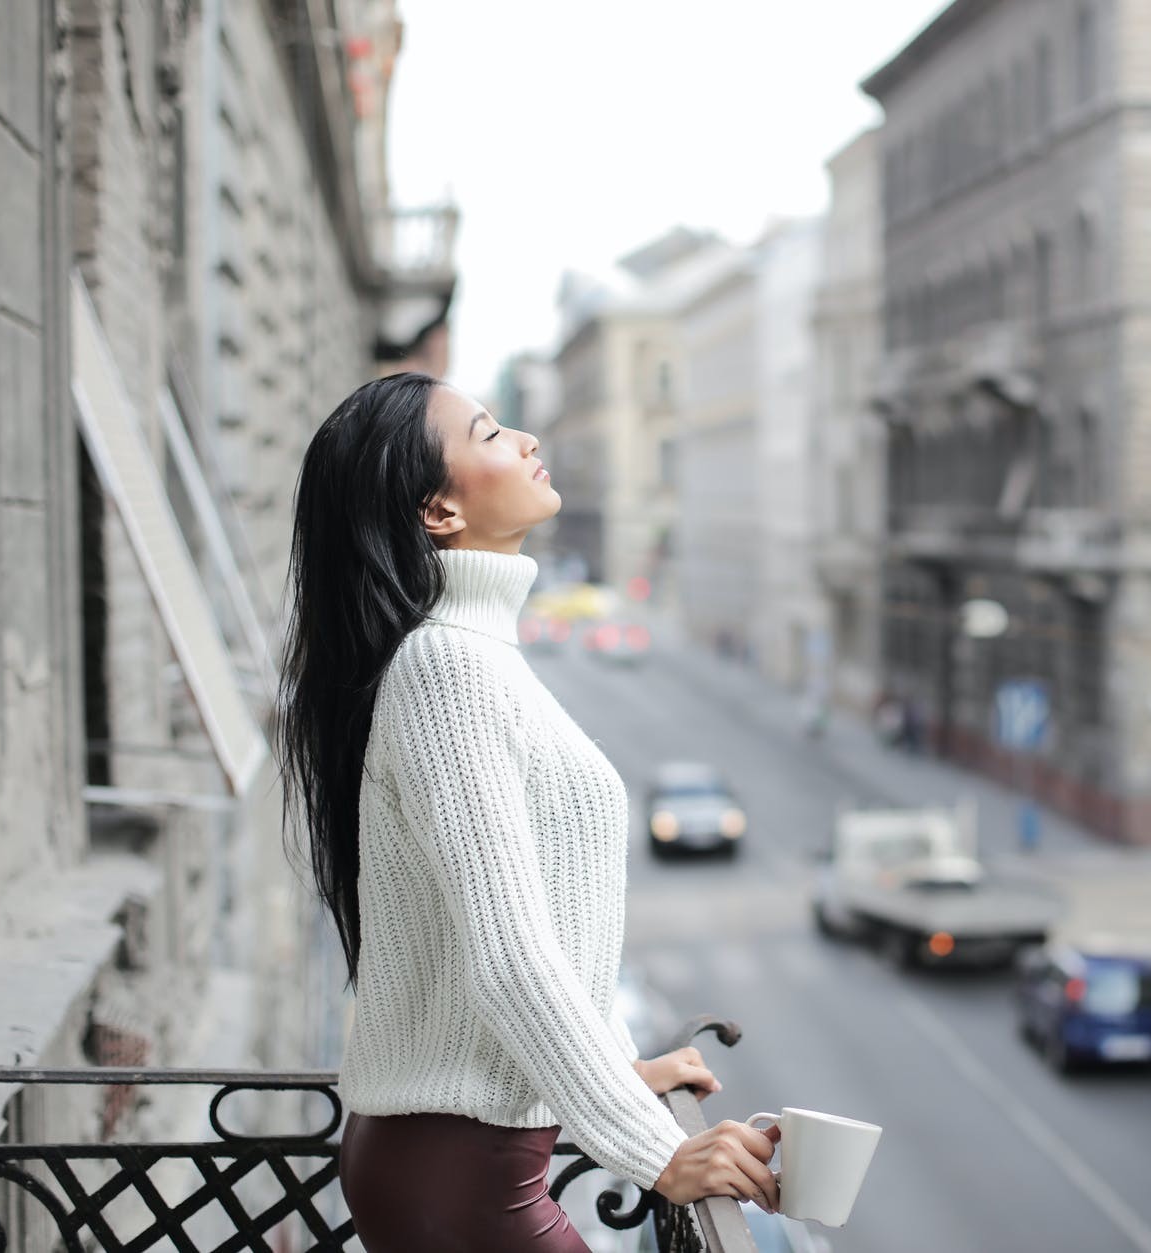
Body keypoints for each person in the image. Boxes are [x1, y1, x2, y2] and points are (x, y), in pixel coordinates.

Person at [276, 374, 778, 1253]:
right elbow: (507, 954)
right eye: (492, 432)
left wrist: (617, 1078)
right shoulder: (446, 669)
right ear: (438, 509)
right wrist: (660, 1150)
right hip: (458, 1175)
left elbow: (560, 923)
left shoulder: (475, 654)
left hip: (465, 1160)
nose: (528, 440)